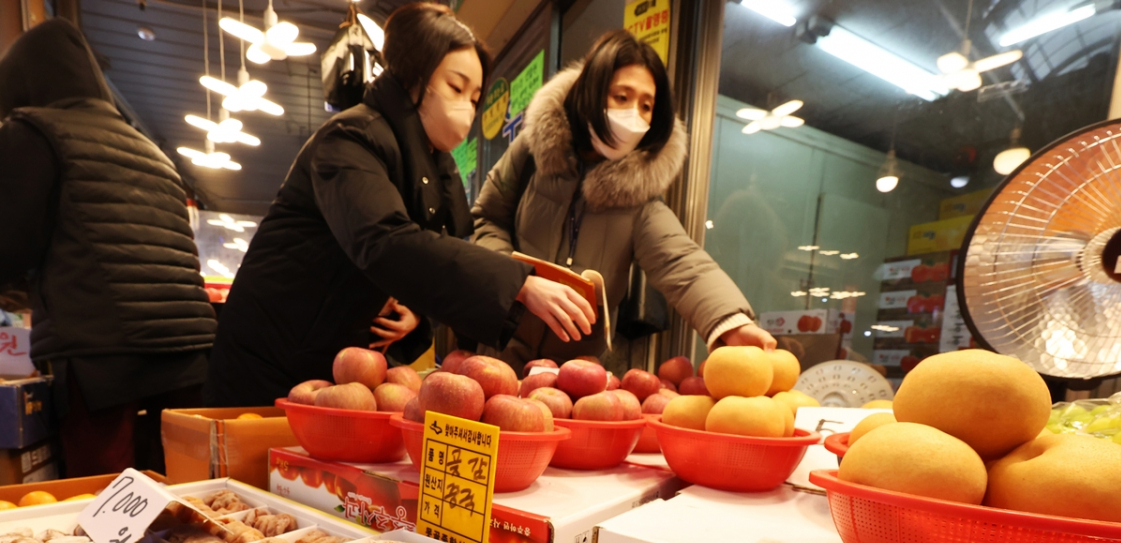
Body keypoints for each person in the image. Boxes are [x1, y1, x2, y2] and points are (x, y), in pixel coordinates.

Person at [204, 2, 593, 406]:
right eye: (456, 87)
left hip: (337, 371)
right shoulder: (352, 137)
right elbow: (384, 240)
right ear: (413, 77)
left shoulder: (437, 166)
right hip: (269, 363)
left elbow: (439, 247)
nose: (467, 107)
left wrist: (415, 311)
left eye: (476, 97)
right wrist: (519, 283)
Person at [471, 30, 775, 368]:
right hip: (497, 354)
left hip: (575, 378)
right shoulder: (532, 152)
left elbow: (683, 262)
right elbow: (486, 218)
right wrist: (520, 282)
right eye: (621, 97)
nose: (634, 115)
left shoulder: (639, 199)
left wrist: (732, 322)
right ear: (591, 93)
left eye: (646, 106)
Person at [0, 19, 218, 476]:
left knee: (107, 495)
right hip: (186, 349)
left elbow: (10, 245)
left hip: (100, 353)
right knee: (182, 486)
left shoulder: (35, 131)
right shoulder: (152, 151)